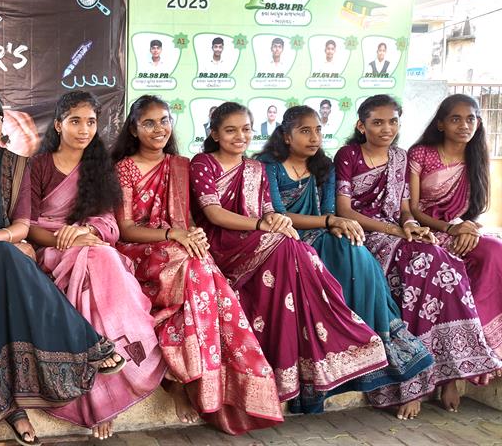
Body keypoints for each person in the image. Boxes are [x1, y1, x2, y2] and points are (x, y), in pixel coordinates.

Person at [0, 93, 117, 446]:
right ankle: (87, 342)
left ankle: (11, 403)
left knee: (5, 263)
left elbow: (21, 225)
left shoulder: (17, 165)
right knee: (7, 257)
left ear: (1, 124)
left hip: (0, 252)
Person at [190, 102, 388, 411]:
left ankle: (313, 354)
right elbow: (214, 214)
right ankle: (336, 336)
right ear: (215, 134)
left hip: (256, 237)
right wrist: (263, 224)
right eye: (230, 130)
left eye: (245, 129)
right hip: (222, 242)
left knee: (297, 249)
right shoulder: (204, 162)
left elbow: (269, 209)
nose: (240, 136)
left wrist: (275, 220)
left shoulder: (254, 168)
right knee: (290, 248)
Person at [112, 95, 282, 434]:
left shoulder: (180, 165)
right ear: (133, 129)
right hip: (139, 248)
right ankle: (187, 380)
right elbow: (126, 228)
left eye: (164, 121)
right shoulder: (124, 168)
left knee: (202, 268)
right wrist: (173, 234)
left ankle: (206, 379)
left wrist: (192, 234)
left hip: (178, 244)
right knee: (195, 267)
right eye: (148, 123)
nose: (158, 129)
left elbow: (188, 218)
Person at [257, 105, 435, 419]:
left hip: (320, 233)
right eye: (305, 131)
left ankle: (375, 343)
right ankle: (336, 363)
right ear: (286, 136)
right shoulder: (267, 166)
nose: (314, 138)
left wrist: (336, 224)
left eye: (318, 130)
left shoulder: (324, 166)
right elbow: (277, 214)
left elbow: (329, 211)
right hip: (283, 237)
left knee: (354, 249)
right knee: (338, 250)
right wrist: (331, 222)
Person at [334, 94, 502, 414]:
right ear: (361, 126)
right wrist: (397, 230)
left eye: (393, 122)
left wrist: (411, 226)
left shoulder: (399, 156)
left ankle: (449, 373)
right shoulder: (349, 155)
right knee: (426, 264)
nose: (387, 128)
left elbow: (405, 210)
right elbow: (344, 211)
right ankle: (414, 380)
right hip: (364, 234)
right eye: (378, 122)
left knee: (447, 268)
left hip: (400, 233)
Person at [27, 91, 164, 440]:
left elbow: (108, 224)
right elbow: (27, 224)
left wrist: (86, 232)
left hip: (90, 247)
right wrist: (68, 239)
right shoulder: (37, 167)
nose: (84, 129)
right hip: (51, 249)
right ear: (58, 125)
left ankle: (112, 388)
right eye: (75, 121)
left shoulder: (99, 168)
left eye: (90, 122)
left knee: (102, 258)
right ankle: (97, 400)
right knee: (97, 260)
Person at [408, 94, 502, 363]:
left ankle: (484, 334)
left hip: (457, 229)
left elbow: (471, 210)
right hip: (423, 229)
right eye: (456, 119)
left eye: (471, 119)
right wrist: (451, 229)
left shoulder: (476, 157)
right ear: (440, 124)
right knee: (449, 264)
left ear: (478, 122)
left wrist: (467, 228)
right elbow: (413, 208)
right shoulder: (421, 153)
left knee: (495, 250)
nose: (464, 125)